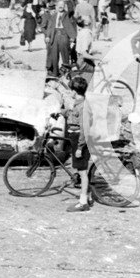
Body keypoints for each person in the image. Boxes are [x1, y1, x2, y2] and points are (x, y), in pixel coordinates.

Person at [61, 76, 92, 212]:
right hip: (75, 137)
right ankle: (88, 196)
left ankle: (83, 202)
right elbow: (73, 115)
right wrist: (63, 112)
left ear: (74, 91)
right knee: (80, 170)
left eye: (70, 90)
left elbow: (84, 129)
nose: (70, 92)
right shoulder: (79, 104)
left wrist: (80, 147)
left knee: (82, 171)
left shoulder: (83, 106)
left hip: (80, 139)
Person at [44, 1, 76, 77]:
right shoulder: (54, 15)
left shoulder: (67, 14)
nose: (60, 6)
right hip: (54, 36)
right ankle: (55, 72)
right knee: (54, 55)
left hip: (64, 35)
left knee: (65, 55)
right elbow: (50, 26)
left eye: (62, 5)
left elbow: (71, 10)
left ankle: (66, 73)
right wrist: (47, 36)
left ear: (64, 6)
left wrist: (72, 37)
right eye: (59, 5)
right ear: (57, 6)